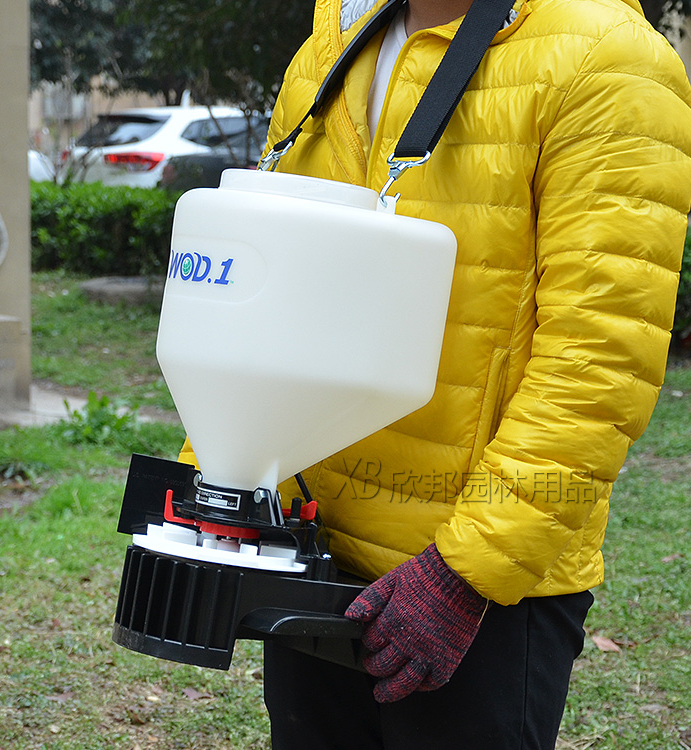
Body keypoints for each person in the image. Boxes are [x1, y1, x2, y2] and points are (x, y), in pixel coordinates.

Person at [180, 0, 691, 746]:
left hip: (473, 587)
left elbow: (600, 358)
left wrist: (463, 573)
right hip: (313, 550)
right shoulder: (335, 42)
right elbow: (276, 275)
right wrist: (222, 474)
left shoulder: (609, 55)